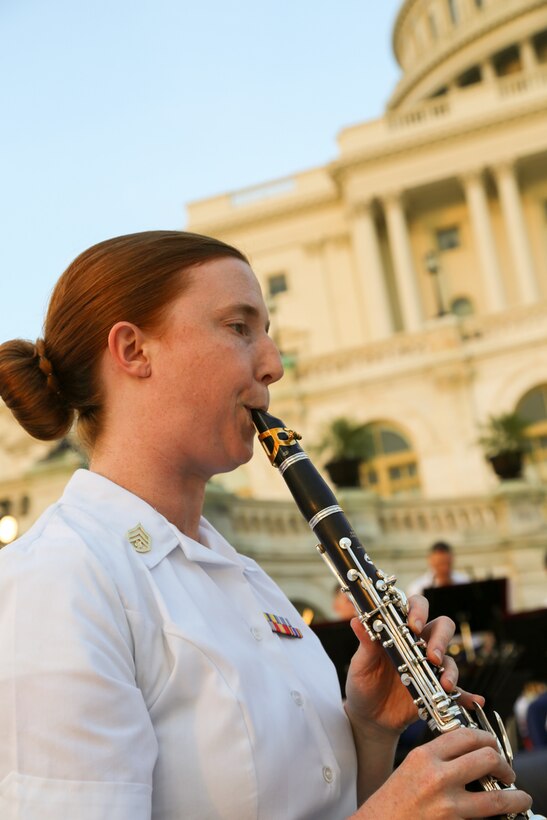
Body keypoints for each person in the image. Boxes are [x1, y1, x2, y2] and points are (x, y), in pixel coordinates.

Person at [0, 231, 532, 819]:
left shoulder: (247, 577)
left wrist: (371, 730)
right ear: (132, 350)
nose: (273, 363)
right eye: (239, 327)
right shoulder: (55, 580)